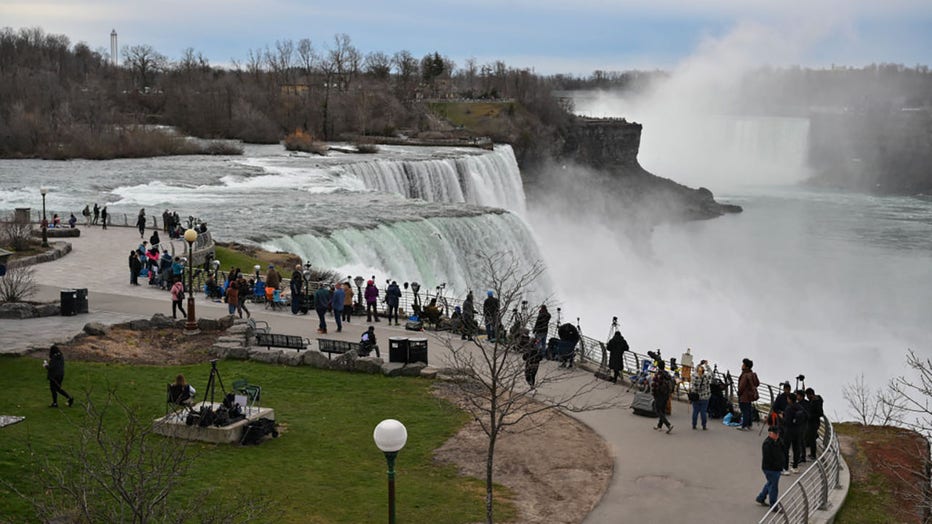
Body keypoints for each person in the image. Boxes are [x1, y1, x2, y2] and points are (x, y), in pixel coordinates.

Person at [757, 426, 786, 508]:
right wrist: (778, 465)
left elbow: (784, 452)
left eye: (778, 433)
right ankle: (773, 505)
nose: (777, 435)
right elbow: (768, 459)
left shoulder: (779, 441)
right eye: (775, 434)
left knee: (770, 483)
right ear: (770, 434)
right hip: (770, 468)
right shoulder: (767, 444)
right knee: (774, 487)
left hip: (777, 468)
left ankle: (761, 497)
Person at [784, 391, 808, 473]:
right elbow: (806, 416)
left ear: (790, 400)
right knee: (796, 449)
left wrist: (781, 418)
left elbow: (786, 422)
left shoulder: (789, 408)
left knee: (786, 449)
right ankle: (795, 467)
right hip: (798, 430)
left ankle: (785, 468)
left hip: (789, 431)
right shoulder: (800, 407)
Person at [651, 361, 674, 433]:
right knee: (662, 410)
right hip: (666, 394)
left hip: (659, 394)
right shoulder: (667, 374)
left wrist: (653, 393)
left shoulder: (658, 374)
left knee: (657, 410)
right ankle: (659, 426)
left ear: (658, 366)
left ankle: (668, 425)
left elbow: (655, 385)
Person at [737, 358, 760, 431]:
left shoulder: (745, 375)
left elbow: (741, 387)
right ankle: (749, 425)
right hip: (750, 396)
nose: (742, 365)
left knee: (744, 411)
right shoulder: (752, 374)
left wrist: (739, 393)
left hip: (744, 396)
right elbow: (757, 384)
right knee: (748, 410)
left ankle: (744, 426)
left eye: (743, 364)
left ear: (746, 367)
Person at [689, 363, 711, 430]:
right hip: (705, 397)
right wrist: (706, 365)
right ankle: (704, 426)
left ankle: (694, 425)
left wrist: (700, 364)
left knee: (695, 411)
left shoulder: (694, 377)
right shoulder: (706, 376)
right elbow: (711, 372)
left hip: (696, 397)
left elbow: (695, 371)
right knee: (703, 412)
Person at [805, 388, 824, 459]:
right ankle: (812, 453)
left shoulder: (816, 402)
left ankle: (813, 455)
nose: (807, 397)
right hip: (812, 422)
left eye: (807, 395)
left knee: (812, 439)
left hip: (814, 423)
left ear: (810, 394)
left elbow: (820, 413)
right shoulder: (812, 401)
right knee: (811, 438)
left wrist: (810, 416)